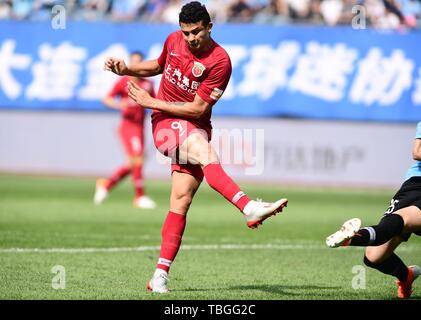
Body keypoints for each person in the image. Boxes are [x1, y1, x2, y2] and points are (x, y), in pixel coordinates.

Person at [104, 1, 288, 293]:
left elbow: (197, 108)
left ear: (209, 27)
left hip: (193, 124)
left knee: (181, 200)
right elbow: (158, 65)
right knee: (205, 153)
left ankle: (159, 275)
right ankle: (248, 206)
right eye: (186, 32)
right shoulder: (173, 41)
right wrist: (127, 68)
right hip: (165, 124)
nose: (190, 38)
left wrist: (150, 101)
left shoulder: (220, 61)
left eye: (196, 32)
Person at [326, 121, 421, 299]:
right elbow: (417, 152)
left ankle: (349, 239)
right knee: (373, 257)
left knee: (406, 219)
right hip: (413, 185)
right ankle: (406, 277)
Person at [94, 51, 157, 209]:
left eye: (138, 62)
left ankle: (106, 185)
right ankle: (139, 196)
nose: (135, 65)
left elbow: (155, 102)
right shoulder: (123, 82)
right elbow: (107, 98)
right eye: (133, 61)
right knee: (137, 160)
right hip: (128, 126)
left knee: (133, 163)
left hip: (140, 126)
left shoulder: (147, 84)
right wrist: (120, 105)